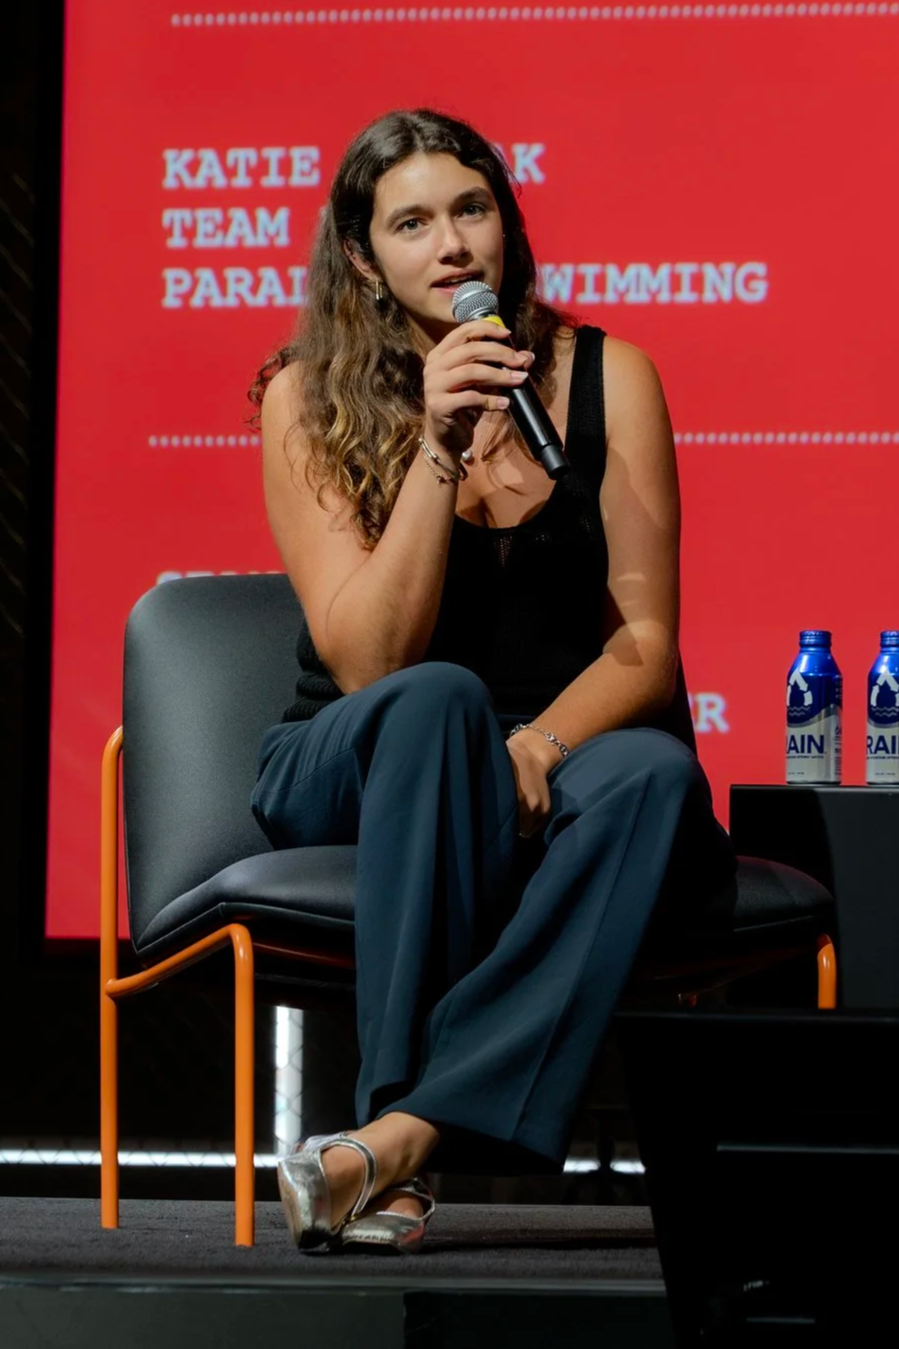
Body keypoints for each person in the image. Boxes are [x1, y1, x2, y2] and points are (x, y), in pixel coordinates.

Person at [249, 107, 734, 1254]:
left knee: (655, 774)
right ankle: (403, 1119)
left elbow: (643, 642)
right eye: (411, 222)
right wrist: (438, 441)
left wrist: (537, 747)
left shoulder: (607, 374)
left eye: (470, 209)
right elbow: (370, 661)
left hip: (544, 741)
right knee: (437, 697)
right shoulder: (305, 396)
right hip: (363, 744)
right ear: (362, 257)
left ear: (505, 224)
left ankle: (395, 1140)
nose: (452, 243)